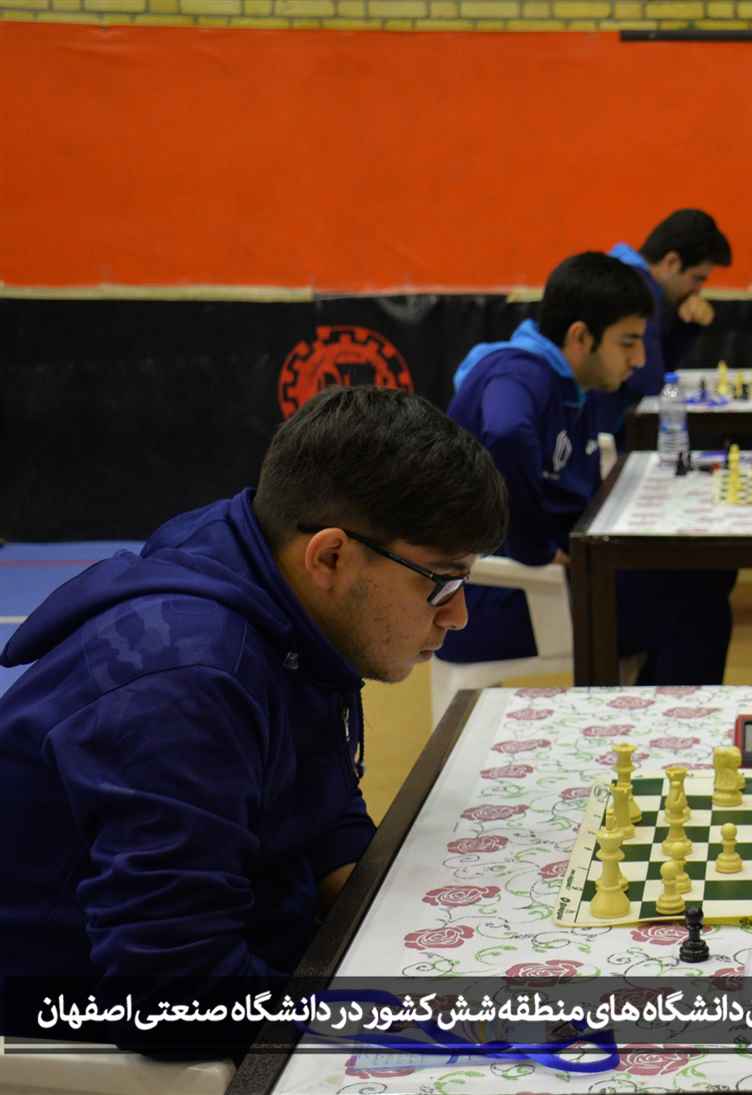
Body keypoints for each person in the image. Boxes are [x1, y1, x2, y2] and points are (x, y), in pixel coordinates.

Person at [0, 385, 508, 1052]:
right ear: (330, 556)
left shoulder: (266, 570)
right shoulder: (184, 688)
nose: (459, 615)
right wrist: (395, 1020)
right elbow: (175, 993)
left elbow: (322, 819)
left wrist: (436, 932)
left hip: (242, 950)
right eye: (441, 582)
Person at [442, 252, 736, 684]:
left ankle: (644, 709)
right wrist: (535, 548)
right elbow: (506, 432)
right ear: (580, 336)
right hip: (487, 597)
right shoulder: (520, 374)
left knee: (705, 570)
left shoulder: (568, 382)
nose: (639, 358)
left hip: (530, 582)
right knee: (698, 606)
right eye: (628, 342)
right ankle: (652, 720)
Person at [599, 209, 733, 442]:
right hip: (608, 433)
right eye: (697, 278)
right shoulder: (637, 290)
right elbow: (650, 384)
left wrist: (687, 323)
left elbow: (661, 369)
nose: (698, 290)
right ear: (672, 262)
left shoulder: (626, 276)